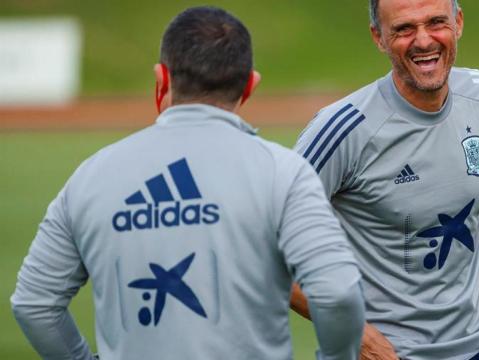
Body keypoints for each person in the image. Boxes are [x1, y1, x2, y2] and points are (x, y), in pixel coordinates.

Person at [11, 6, 366, 360]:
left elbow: (34, 304)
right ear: (249, 85)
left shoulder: (90, 176)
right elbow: (337, 293)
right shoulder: (283, 171)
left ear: (162, 79)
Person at [290, 0, 479, 359]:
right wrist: (347, 328)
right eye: (404, 29)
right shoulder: (343, 128)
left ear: (458, 23)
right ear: (378, 37)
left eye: (436, 22)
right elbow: (262, 241)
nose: (423, 41)